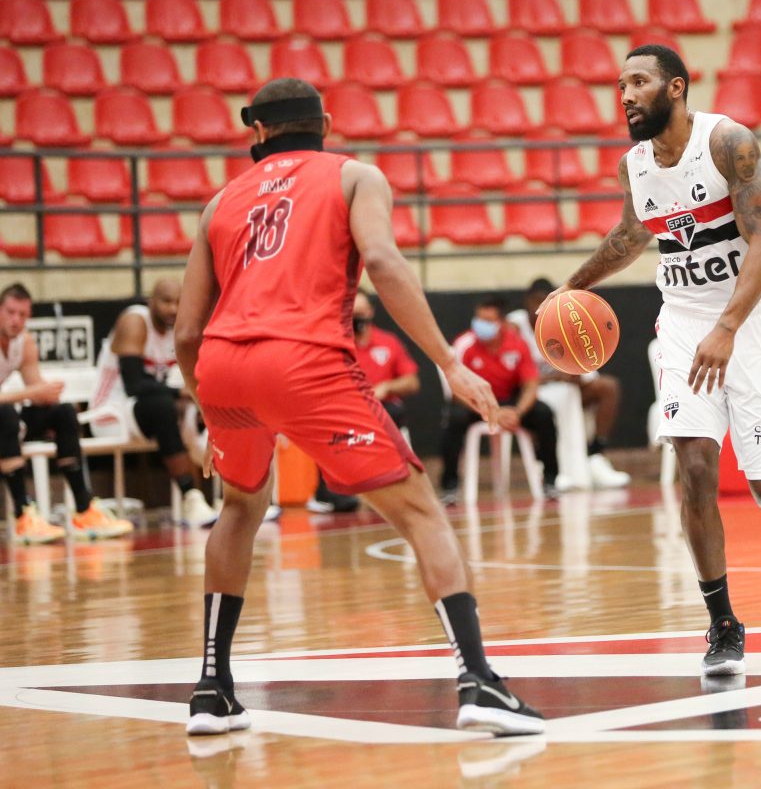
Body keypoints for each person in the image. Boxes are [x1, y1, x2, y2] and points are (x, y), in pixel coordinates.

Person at [175, 78, 542, 736]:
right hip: (303, 360)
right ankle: (479, 682)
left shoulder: (218, 203)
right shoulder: (353, 176)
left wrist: (208, 410)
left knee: (239, 509)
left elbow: (184, 332)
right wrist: (448, 362)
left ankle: (212, 689)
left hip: (222, 367)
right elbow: (385, 264)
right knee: (422, 511)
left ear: (256, 131)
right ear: (326, 124)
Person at [540, 45, 761, 676]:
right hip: (680, 324)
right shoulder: (634, 166)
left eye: (638, 82)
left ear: (675, 87)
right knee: (695, 468)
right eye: (620, 84)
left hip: (748, 324)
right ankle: (722, 622)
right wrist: (572, 287)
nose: (625, 95)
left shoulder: (729, 143)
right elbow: (631, 235)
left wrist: (727, 326)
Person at [0, 283, 133, 544]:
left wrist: (49, 394)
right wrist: (33, 392)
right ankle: (22, 514)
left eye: (22, 315)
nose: (16, 320)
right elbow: (27, 392)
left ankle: (84, 510)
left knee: (63, 412)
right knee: (5, 415)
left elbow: (35, 389)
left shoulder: (24, 343)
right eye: (10, 312)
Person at [92, 278, 219, 527]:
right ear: (151, 301)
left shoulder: (179, 330)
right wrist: (180, 393)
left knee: (202, 407)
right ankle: (191, 498)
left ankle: (227, 495)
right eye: (166, 301)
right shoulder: (135, 321)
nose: (173, 308)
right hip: (109, 413)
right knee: (163, 405)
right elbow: (133, 385)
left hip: (145, 413)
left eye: (178, 302)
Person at [508, 278, 631, 489]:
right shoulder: (514, 326)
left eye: (542, 301)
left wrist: (575, 372)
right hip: (532, 394)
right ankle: (544, 462)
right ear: (526, 301)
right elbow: (514, 375)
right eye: (534, 301)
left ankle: (595, 456)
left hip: (564, 394)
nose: (537, 306)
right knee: (541, 411)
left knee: (608, 387)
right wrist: (553, 377)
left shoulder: (563, 319)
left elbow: (581, 374)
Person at [307, 290, 420, 514]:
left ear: (370, 312)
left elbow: (412, 382)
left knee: (391, 414)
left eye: (361, 313)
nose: (357, 318)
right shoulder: (332, 344)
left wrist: (387, 387)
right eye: (352, 313)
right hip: (344, 410)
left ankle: (391, 482)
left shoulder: (388, 342)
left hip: (382, 409)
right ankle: (329, 492)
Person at [440, 296, 559, 505]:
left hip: (509, 401)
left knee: (544, 414)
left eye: (488, 321)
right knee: (454, 419)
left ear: (502, 323)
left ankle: (550, 481)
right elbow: (456, 391)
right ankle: (450, 486)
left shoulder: (517, 344)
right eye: (479, 319)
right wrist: (490, 412)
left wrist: (517, 412)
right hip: (474, 404)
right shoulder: (464, 344)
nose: (481, 325)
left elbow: (531, 385)